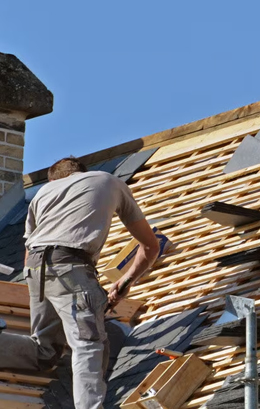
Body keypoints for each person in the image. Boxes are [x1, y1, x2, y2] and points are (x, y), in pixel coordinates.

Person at [0, 156, 159, 409]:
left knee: (45, 349)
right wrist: (126, 282)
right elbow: (150, 246)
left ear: (56, 179)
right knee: (88, 343)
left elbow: (28, 252)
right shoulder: (109, 180)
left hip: (35, 269)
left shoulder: (43, 192)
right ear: (82, 173)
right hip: (71, 266)